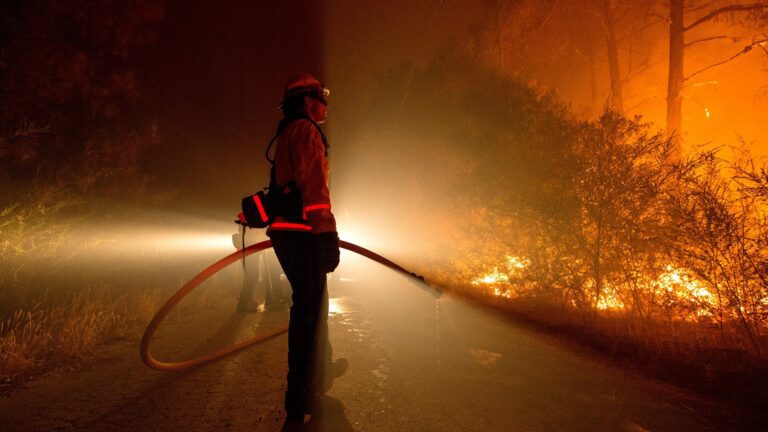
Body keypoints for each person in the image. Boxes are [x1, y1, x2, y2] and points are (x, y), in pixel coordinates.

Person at [266, 73, 347, 422]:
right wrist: (325, 233)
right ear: (308, 100)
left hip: (289, 232)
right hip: (303, 233)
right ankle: (301, 394)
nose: (326, 101)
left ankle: (319, 374)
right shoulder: (306, 131)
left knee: (314, 306)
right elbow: (313, 186)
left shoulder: (289, 130)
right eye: (321, 95)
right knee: (309, 313)